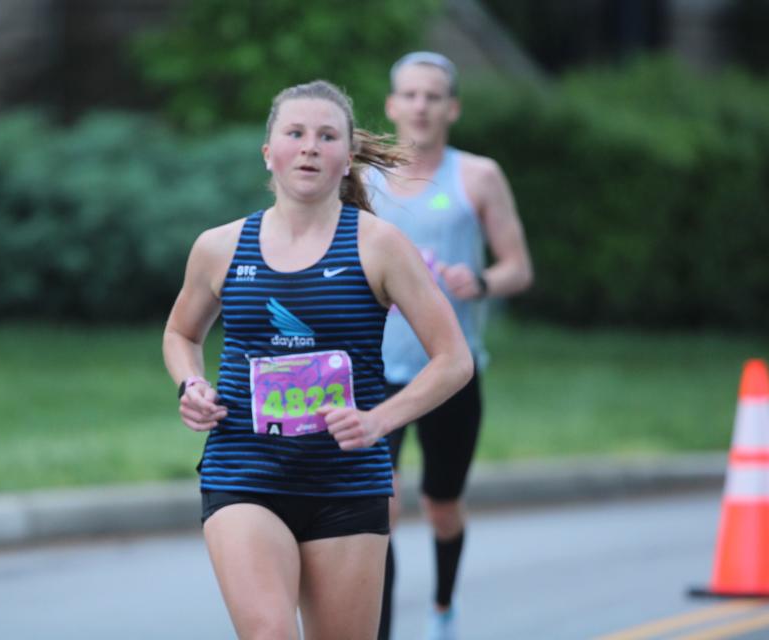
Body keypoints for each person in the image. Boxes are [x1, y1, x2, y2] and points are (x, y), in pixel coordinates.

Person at [162, 79, 474, 640]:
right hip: (244, 471)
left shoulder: (380, 246)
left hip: (347, 483)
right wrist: (191, 386)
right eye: (295, 133)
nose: (310, 146)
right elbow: (181, 333)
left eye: (327, 136)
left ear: (348, 154)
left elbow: (454, 360)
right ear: (269, 151)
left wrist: (379, 420)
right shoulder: (220, 246)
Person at [366, 52, 534, 640]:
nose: (419, 105)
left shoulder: (478, 176)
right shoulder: (361, 177)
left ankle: (442, 610)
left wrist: (482, 281)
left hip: (449, 372)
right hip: (371, 374)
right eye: (408, 94)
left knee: (440, 505)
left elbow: (518, 266)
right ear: (390, 105)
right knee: (376, 513)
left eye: (432, 95)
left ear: (452, 107)